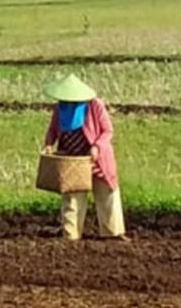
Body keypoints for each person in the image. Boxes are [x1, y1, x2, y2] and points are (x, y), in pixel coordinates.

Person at [42, 74, 126, 242]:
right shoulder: (60, 109)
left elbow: (107, 130)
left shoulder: (95, 106)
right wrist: (49, 144)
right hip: (72, 160)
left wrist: (96, 147)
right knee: (72, 199)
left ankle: (112, 234)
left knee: (106, 194)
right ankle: (70, 236)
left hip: (96, 159)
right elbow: (53, 130)